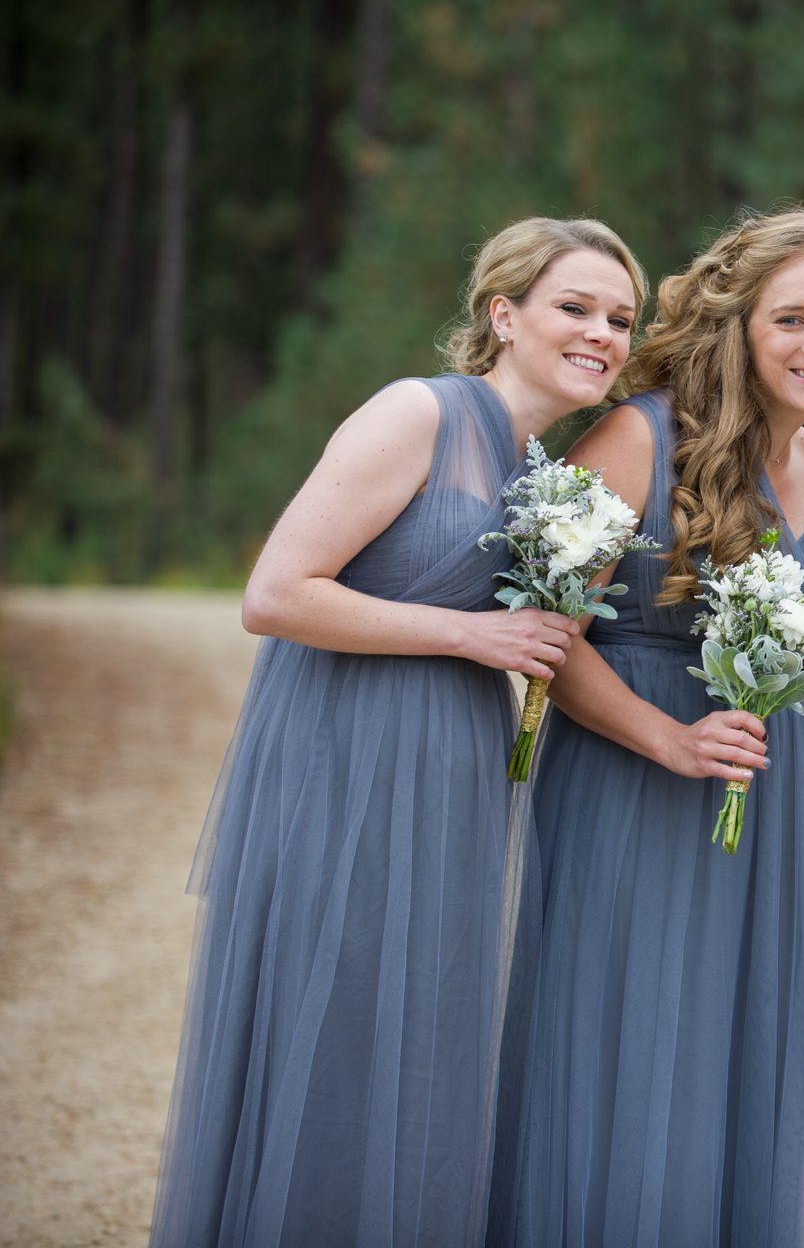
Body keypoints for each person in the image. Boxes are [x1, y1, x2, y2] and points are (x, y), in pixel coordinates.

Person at [149, 217, 644, 1246]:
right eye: (576, 307)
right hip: (349, 750)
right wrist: (468, 632)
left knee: (421, 1035)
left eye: (621, 318)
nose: (603, 332)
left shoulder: (540, 465)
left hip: (455, 761)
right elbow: (276, 593)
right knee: (333, 1024)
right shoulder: (419, 412)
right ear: (503, 315)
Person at [486, 208, 804, 1247]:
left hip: (762, 788)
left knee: (726, 1060)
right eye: (791, 318)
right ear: (738, 325)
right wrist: (670, 741)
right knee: (629, 1058)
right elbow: (548, 632)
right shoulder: (637, 434)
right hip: (639, 785)